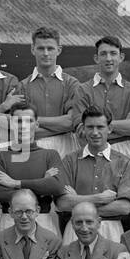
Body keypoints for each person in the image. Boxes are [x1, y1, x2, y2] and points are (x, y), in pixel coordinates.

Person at [57, 106, 130, 243]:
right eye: (90, 127)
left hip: (111, 230)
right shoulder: (69, 160)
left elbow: (123, 207)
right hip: (76, 229)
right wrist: (99, 198)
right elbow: (63, 203)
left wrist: (78, 201)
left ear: (109, 129)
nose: (95, 132)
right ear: (83, 128)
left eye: (100, 127)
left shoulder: (124, 162)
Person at [0, 106, 65, 236]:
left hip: (43, 220)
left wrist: (16, 183)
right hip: (10, 221)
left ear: (36, 124)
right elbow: (0, 193)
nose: (23, 126)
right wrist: (42, 185)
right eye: (18, 121)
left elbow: (57, 187)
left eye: (28, 121)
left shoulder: (50, 155)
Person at [23, 26, 84, 160]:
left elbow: (71, 121)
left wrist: (34, 120)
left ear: (59, 50)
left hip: (66, 149)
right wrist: (61, 126)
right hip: (32, 150)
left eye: (50, 48)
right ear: (33, 49)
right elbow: (21, 128)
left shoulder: (72, 84)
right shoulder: (22, 86)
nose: (46, 53)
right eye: (41, 48)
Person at [86, 35, 130, 170]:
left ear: (121, 57)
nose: (108, 58)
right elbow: (81, 131)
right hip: (94, 153)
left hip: (126, 150)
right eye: (103, 54)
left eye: (113, 53)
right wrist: (126, 126)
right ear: (96, 58)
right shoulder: (83, 90)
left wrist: (97, 126)